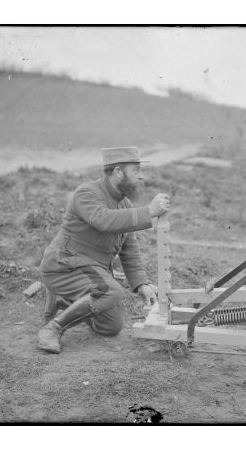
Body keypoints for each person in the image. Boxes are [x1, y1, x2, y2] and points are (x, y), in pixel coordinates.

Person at [36, 146, 170, 354]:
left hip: (90, 270)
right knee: (111, 292)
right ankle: (53, 328)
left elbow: (129, 248)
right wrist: (149, 211)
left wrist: (140, 283)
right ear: (118, 172)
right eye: (136, 171)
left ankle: (65, 300)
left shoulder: (124, 203)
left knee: (110, 326)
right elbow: (104, 220)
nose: (141, 177)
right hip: (65, 265)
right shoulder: (87, 193)